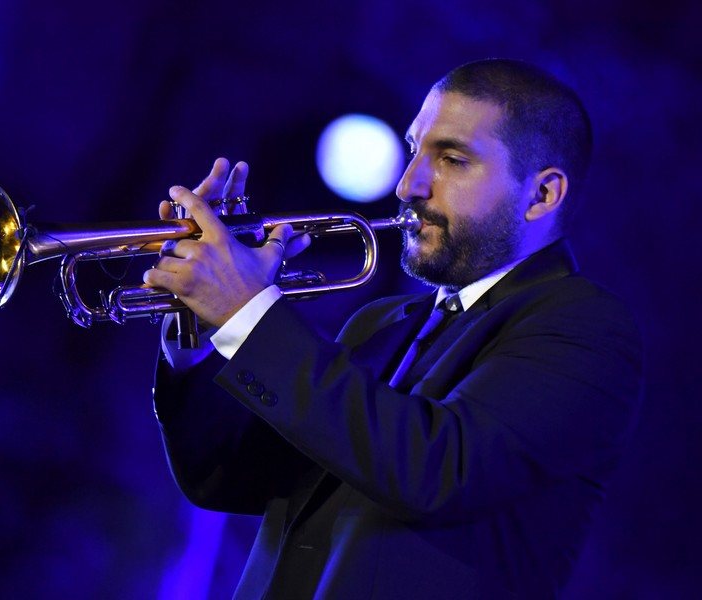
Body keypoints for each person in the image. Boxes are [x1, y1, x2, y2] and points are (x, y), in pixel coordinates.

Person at [143, 59, 643, 599]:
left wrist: (248, 313)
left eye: (451, 159)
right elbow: (226, 477)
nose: (408, 185)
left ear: (542, 195)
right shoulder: (380, 324)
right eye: (413, 151)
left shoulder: (585, 328)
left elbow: (437, 470)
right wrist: (197, 325)